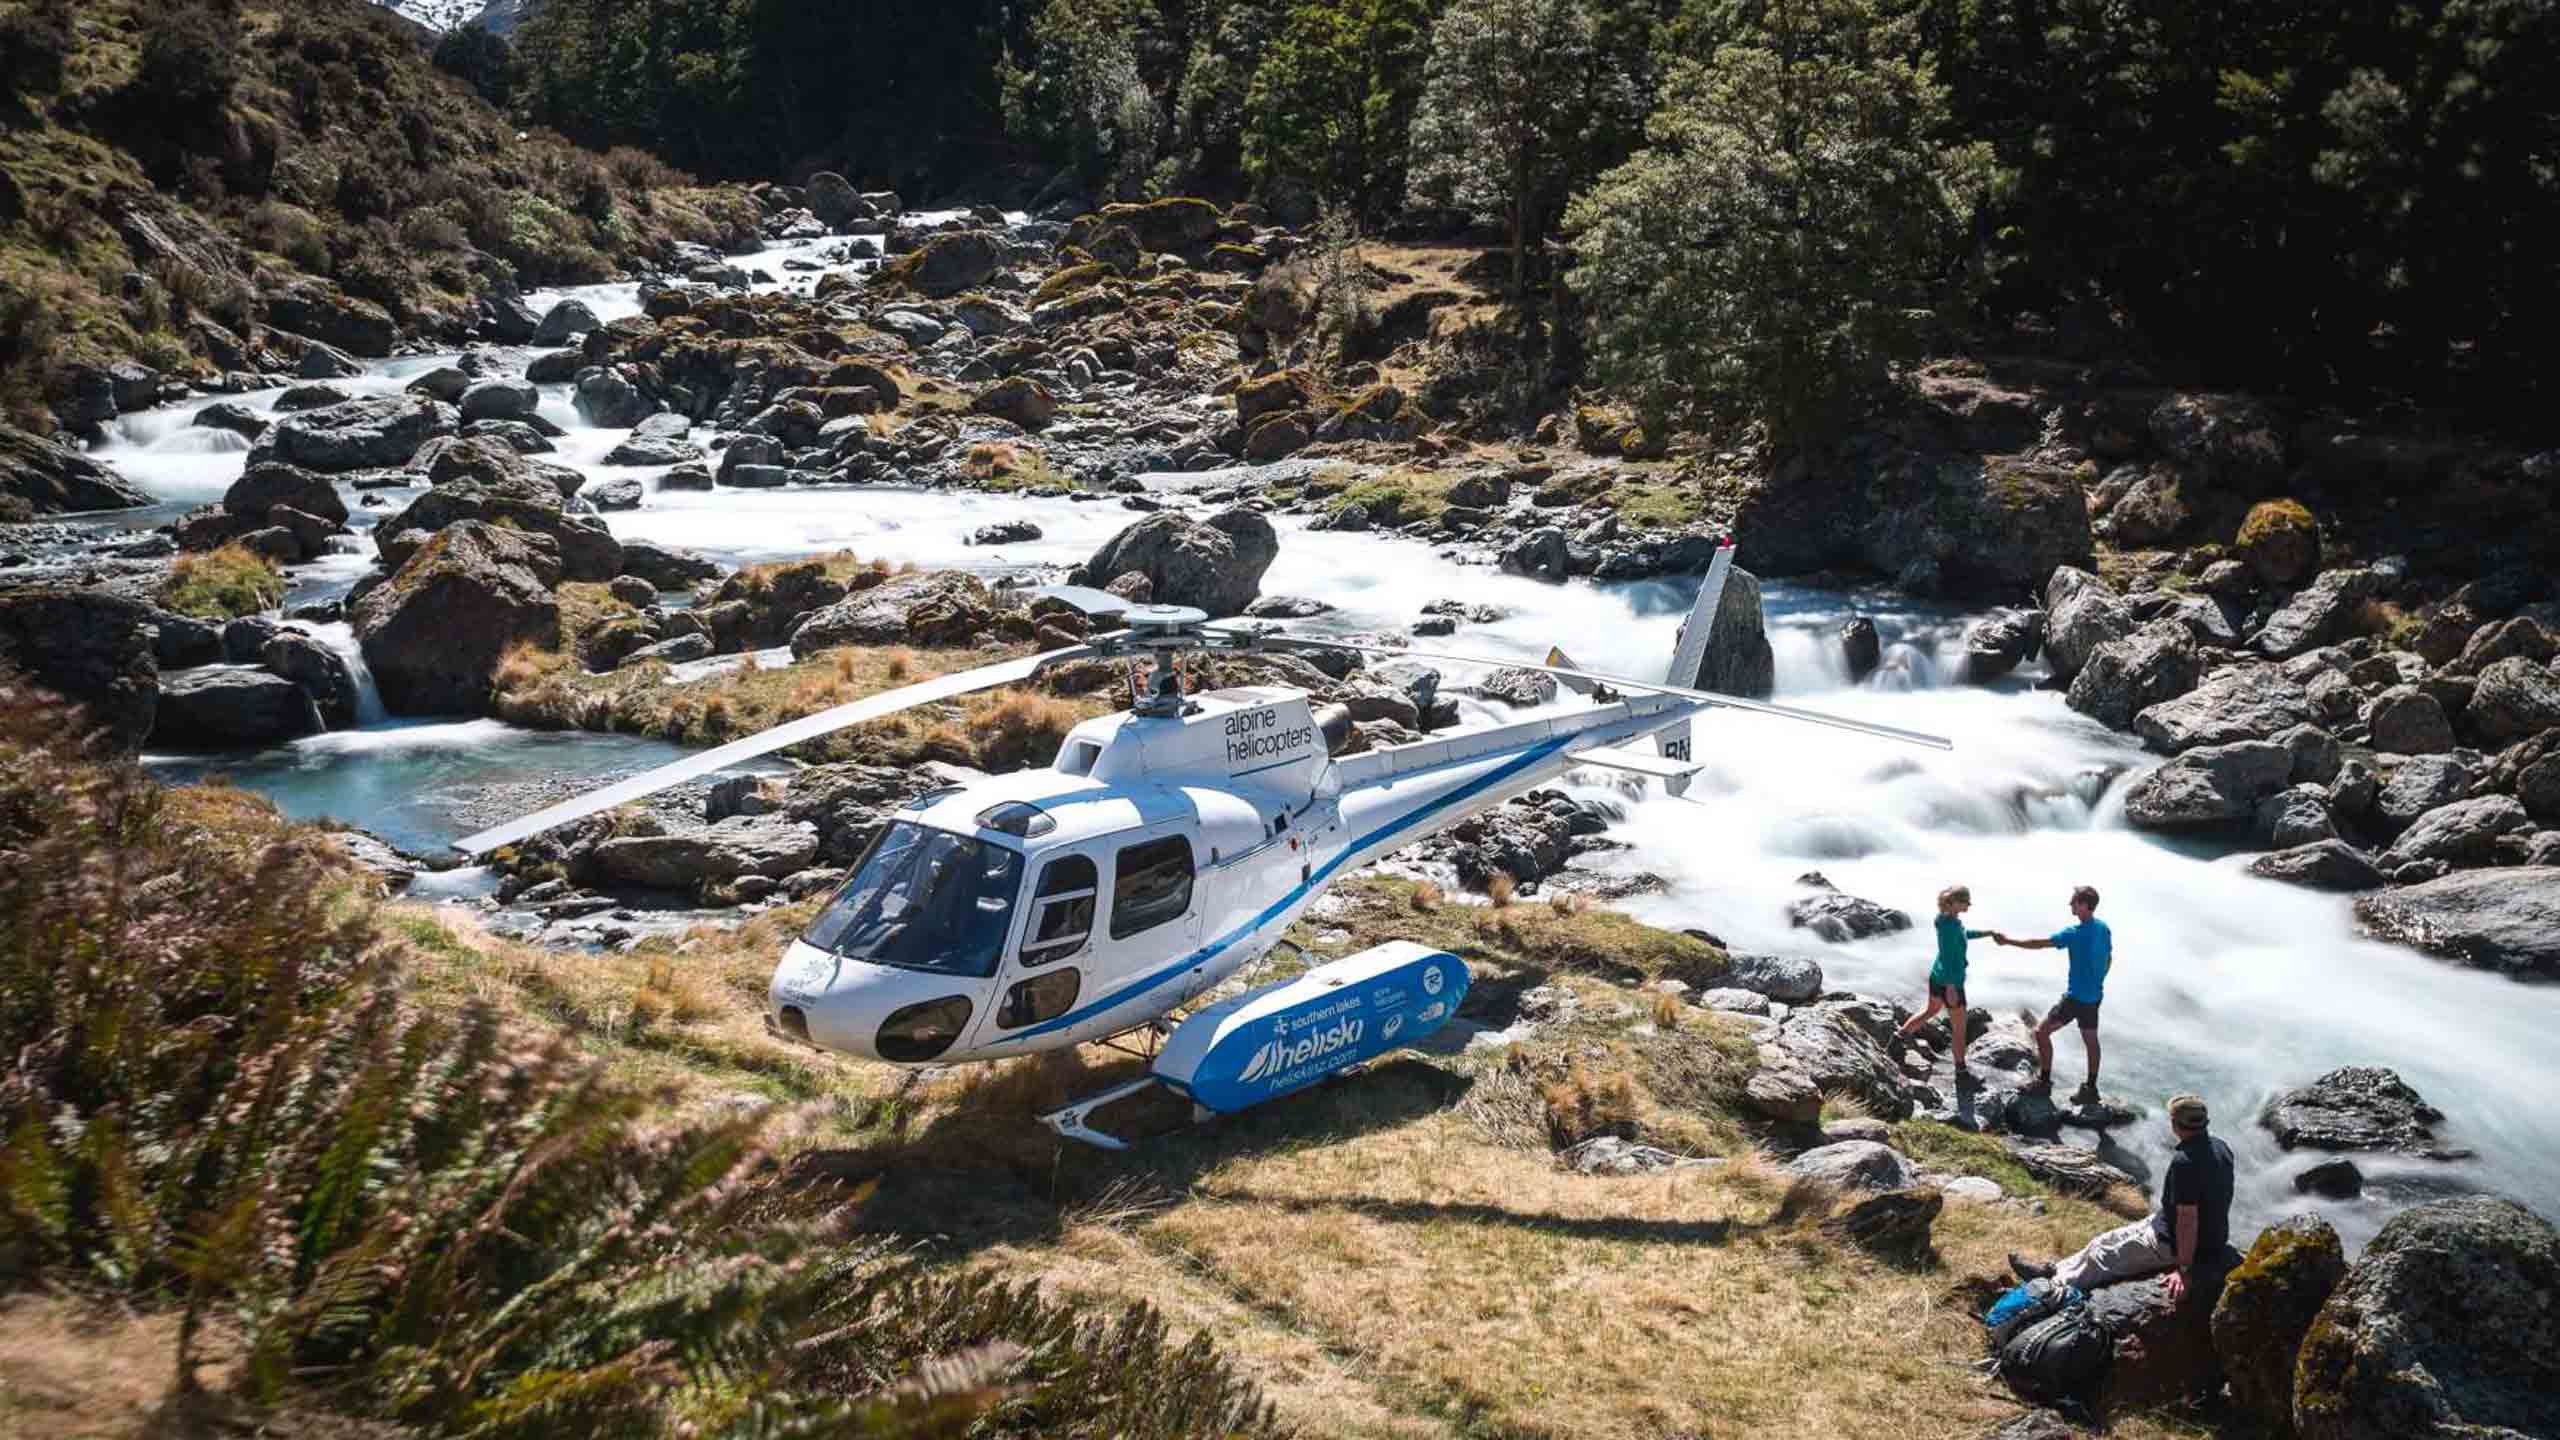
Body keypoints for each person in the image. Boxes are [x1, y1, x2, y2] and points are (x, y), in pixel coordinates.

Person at [2010, 1093, 2235, 1301]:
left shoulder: (2185, 1161)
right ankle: (2052, 1270)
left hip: (2175, 1244)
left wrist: (2184, 1269)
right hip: (2193, 1231)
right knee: (2101, 1242)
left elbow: (2188, 1219)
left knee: (2102, 1259)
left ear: (2175, 1124)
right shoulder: (2220, 1147)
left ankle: (2049, 1289)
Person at [1992, 884, 2111, 1105]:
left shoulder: (2074, 934)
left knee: (2041, 1033)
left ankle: (2044, 1082)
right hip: (2094, 996)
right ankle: (2091, 1088)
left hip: (2075, 998)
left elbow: (2039, 944)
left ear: (2084, 905)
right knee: (2091, 1040)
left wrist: (2008, 941)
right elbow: (2109, 958)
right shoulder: (2103, 928)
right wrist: (2098, 979)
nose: (2070, 904)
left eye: (2074, 901)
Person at [1896, 885, 1990, 1084]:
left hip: (1937, 976)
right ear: (1954, 902)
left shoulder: (1946, 920)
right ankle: (1961, 1072)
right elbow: (1948, 956)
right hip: (1951, 981)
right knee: (1959, 1029)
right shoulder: (1950, 925)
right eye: (1965, 902)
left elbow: (1962, 935)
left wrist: (1986, 933)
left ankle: (1900, 1036)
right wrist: (1951, 987)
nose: (1968, 905)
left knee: (1930, 1011)